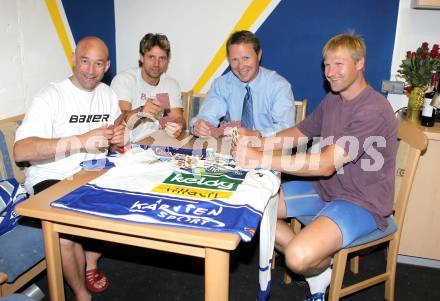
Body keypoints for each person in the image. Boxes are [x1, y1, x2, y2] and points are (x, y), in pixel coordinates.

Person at [232, 33, 398, 301]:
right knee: (253, 209)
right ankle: (319, 269)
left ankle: (316, 263)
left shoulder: (374, 110)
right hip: (326, 189)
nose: (330, 72)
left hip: (362, 202)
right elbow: (301, 131)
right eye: (326, 65)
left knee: (297, 258)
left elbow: (324, 164)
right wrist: (260, 142)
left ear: (359, 64)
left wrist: (258, 157)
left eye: (338, 64)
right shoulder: (334, 98)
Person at [14, 36, 126, 301]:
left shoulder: (107, 94)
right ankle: (80, 294)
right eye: (84, 61)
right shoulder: (50, 95)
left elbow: (113, 133)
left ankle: (90, 262)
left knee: (126, 204)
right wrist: (80, 142)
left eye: (98, 64)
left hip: (91, 172)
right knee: (65, 234)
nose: (90, 70)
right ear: (74, 58)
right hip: (51, 176)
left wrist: (121, 136)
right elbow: (21, 150)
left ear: (107, 66)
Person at [190, 30, 295, 138]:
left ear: (259, 55)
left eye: (246, 58)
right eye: (235, 60)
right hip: (232, 150)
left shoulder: (279, 86)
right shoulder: (221, 84)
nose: (241, 66)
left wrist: (256, 135)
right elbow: (206, 117)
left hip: (269, 149)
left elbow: (286, 127)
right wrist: (199, 126)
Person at [111, 33, 185, 141]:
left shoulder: (170, 84)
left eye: (162, 58)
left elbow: (178, 118)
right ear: (142, 57)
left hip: (157, 146)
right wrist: (141, 113)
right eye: (151, 57)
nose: (156, 64)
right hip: (126, 146)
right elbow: (119, 121)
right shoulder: (125, 80)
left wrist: (177, 127)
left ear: (167, 60)